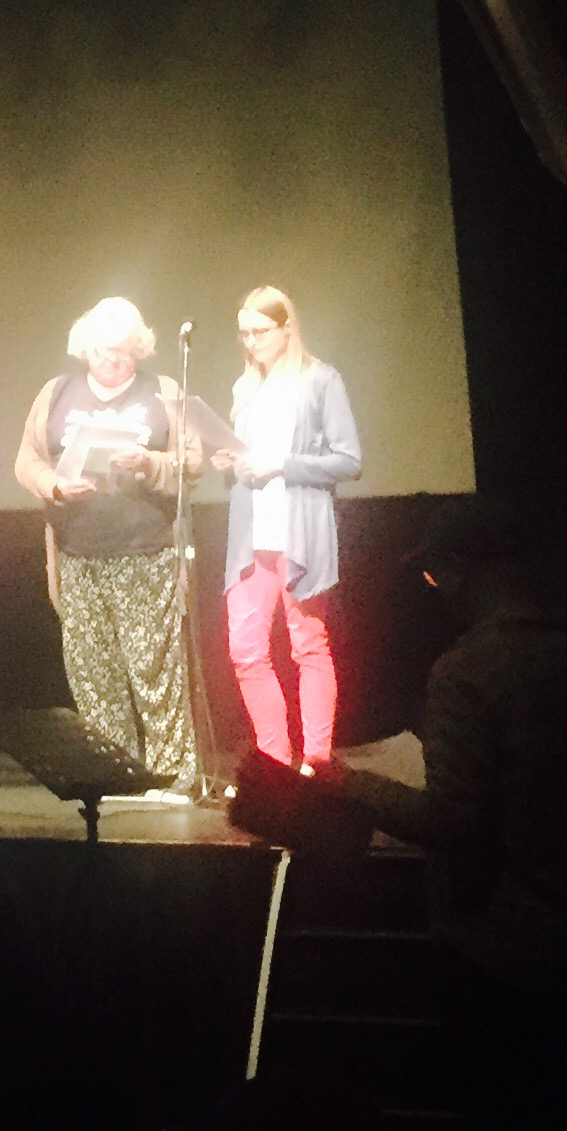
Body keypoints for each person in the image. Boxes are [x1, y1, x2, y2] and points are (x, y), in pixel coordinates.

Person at [330, 499, 567, 1131]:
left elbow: (449, 818)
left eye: (434, 575)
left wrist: (353, 783)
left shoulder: (468, 671)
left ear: (461, 570)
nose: (436, 590)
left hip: (500, 954)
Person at [15, 296, 208, 795]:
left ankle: (173, 776)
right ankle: (117, 776)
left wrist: (149, 464)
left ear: (139, 350)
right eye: (106, 351)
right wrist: (56, 486)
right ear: (86, 348)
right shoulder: (56, 393)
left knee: (154, 670)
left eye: (126, 351)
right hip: (78, 555)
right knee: (94, 676)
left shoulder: (163, 392)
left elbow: (194, 462)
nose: (116, 360)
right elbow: (27, 460)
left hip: (146, 550)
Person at [211, 285, 361, 772]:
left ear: (286, 327)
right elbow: (245, 468)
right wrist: (228, 464)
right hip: (251, 539)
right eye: (243, 333)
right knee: (246, 651)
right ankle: (275, 764)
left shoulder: (320, 380)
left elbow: (349, 461)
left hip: (300, 533)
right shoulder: (245, 389)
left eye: (259, 331)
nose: (250, 342)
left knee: (308, 646)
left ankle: (316, 761)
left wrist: (282, 464)